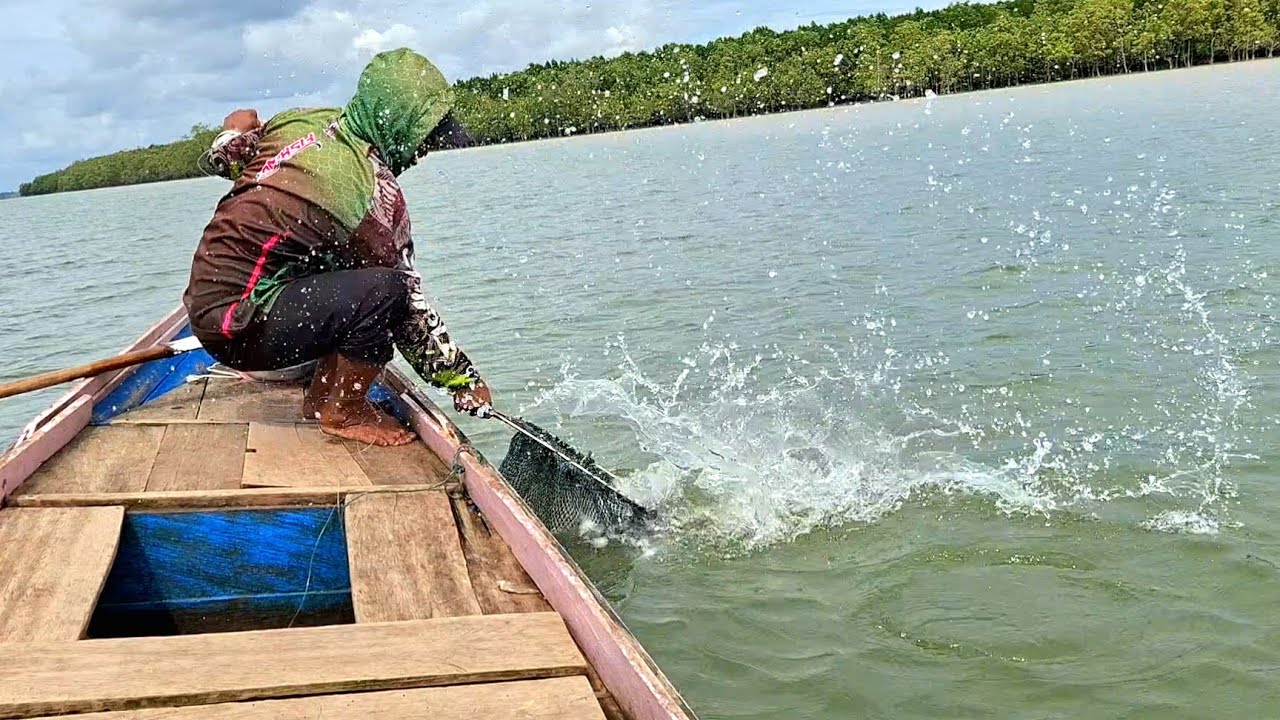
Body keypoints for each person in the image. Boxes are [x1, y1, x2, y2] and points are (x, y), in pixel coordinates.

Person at [183, 47, 491, 447]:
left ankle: (320, 396)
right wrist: (462, 379)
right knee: (386, 292)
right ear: (399, 126)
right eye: (424, 139)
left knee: (343, 270)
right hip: (238, 327)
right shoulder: (372, 199)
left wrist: (232, 130)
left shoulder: (302, 121)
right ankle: (343, 412)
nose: (421, 153)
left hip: (207, 302)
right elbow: (408, 308)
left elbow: (229, 157)